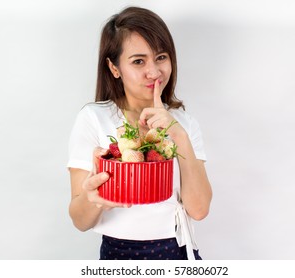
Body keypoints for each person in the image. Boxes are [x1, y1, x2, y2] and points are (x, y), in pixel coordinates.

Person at [67, 6, 212, 260]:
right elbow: (80, 221)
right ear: (114, 68)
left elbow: (199, 210)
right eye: (138, 61)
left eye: (161, 57)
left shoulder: (184, 124)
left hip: (177, 251)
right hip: (118, 254)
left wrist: (177, 134)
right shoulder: (93, 119)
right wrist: (95, 198)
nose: (154, 72)